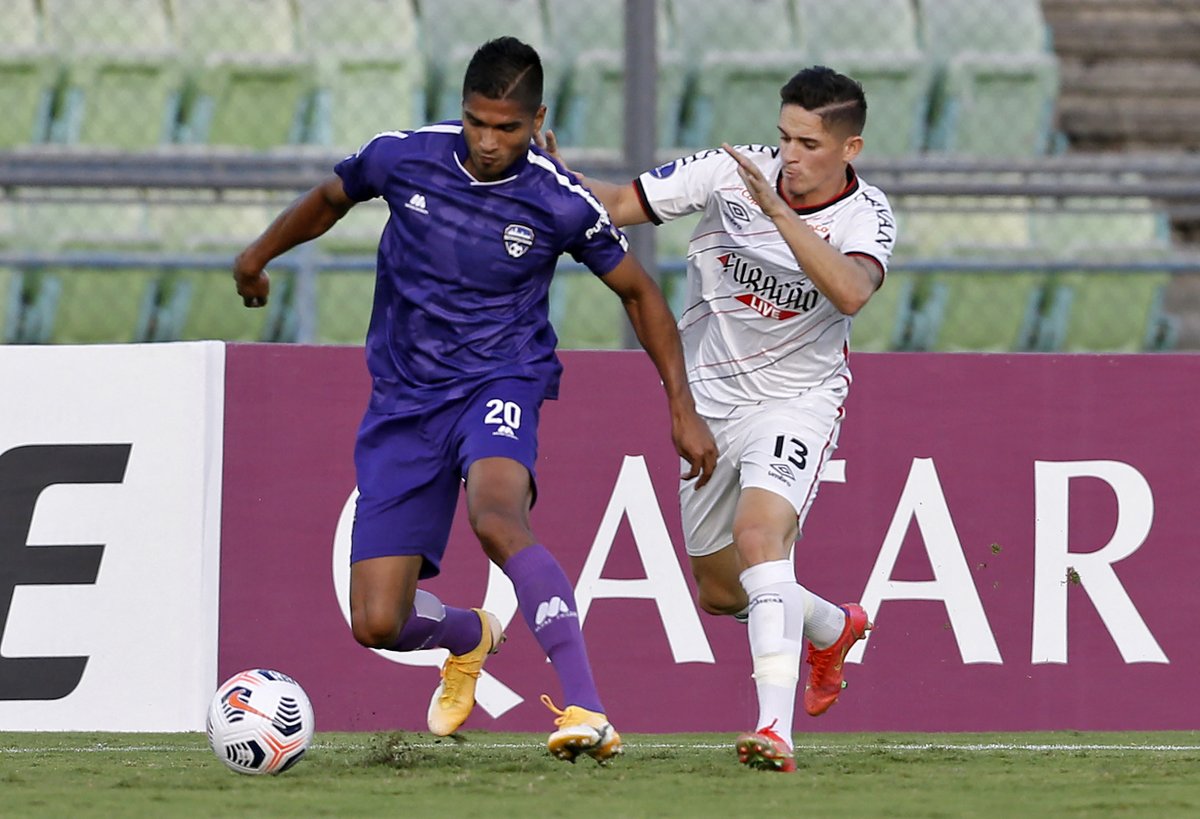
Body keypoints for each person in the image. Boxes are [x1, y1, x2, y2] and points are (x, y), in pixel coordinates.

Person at [232, 36, 716, 765]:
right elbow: (332, 199)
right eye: (476, 123)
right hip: (403, 401)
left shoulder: (558, 200)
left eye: (508, 128)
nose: (489, 142)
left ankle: (588, 704)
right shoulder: (403, 157)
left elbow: (640, 293)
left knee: (496, 516)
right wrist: (257, 255)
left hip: (501, 381)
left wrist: (679, 404)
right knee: (377, 621)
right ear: (460, 112)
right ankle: (470, 637)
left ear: (538, 119)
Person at [539, 65, 893, 772]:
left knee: (760, 536)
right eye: (783, 138)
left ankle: (774, 729)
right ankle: (831, 625)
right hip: (710, 403)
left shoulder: (867, 215)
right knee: (720, 588)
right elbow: (617, 202)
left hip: (798, 400)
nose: (790, 156)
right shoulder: (728, 173)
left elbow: (852, 292)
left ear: (849, 149)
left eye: (809, 144)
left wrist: (779, 214)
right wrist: (554, 175)